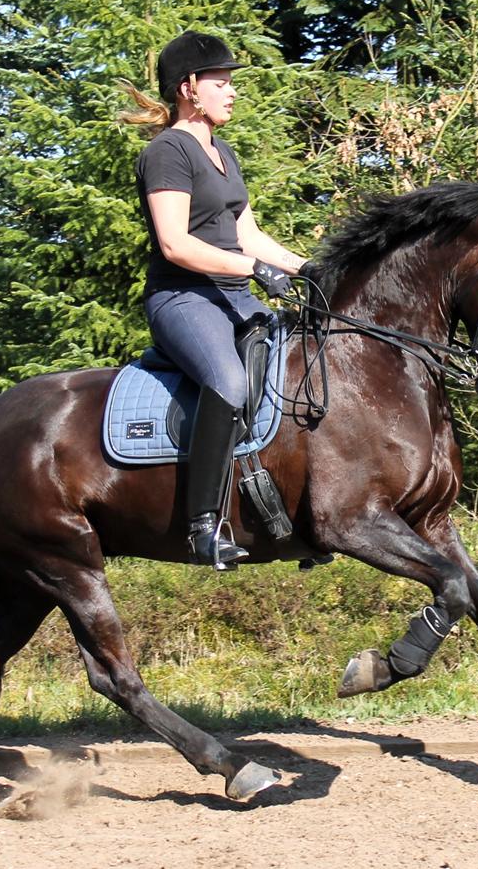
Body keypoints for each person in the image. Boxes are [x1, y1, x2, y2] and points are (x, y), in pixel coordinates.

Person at [119, 30, 314, 568]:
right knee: (227, 381)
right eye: (221, 83)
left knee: (299, 363)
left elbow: (248, 235)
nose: (231, 93)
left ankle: (295, 511)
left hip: (232, 295)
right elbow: (175, 244)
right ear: (188, 88)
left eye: (231, 84)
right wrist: (255, 270)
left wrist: (307, 267)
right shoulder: (167, 153)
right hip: (182, 299)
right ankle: (202, 525)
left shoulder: (222, 150)